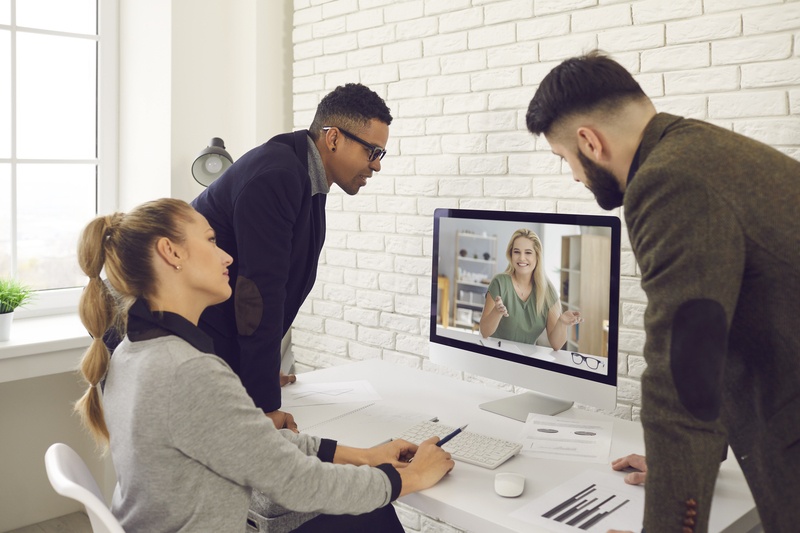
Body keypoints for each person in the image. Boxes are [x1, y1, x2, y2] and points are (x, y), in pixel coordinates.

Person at [526, 50, 800, 532]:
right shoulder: (698, 149)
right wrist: (684, 466)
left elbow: (679, 378)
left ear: (589, 142)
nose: (571, 174)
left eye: (564, 157)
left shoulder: (668, 182)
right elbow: (713, 333)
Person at [73, 198, 454, 532]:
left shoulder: (132, 351)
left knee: (367, 517)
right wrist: (409, 479)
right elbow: (297, 482)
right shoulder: (186, 371)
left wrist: (367, 457)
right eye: (210, 240)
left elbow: (256, 443)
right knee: (374, 514)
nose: (227, 256)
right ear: (171, 253)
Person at [191, 83, 392, 431]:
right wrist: (263, 402)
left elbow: (279, 284)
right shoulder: (278, 175)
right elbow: (259, 293)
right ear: (333, 139)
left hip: (210, 346)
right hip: (177, 342)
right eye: (372, 151)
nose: (376, 166)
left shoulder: (306, 177)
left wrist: (263, 369)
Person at [479, 228, 582, 350]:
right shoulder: (499, 283)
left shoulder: (548, 292)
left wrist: (562, 323)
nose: (522, 258)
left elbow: (556, 345)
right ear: (511, 255)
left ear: (537, 256)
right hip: (495, 356)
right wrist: (496, 312)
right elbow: (484, 332)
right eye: (517, 252)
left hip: (526, 362)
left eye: (528, 252)